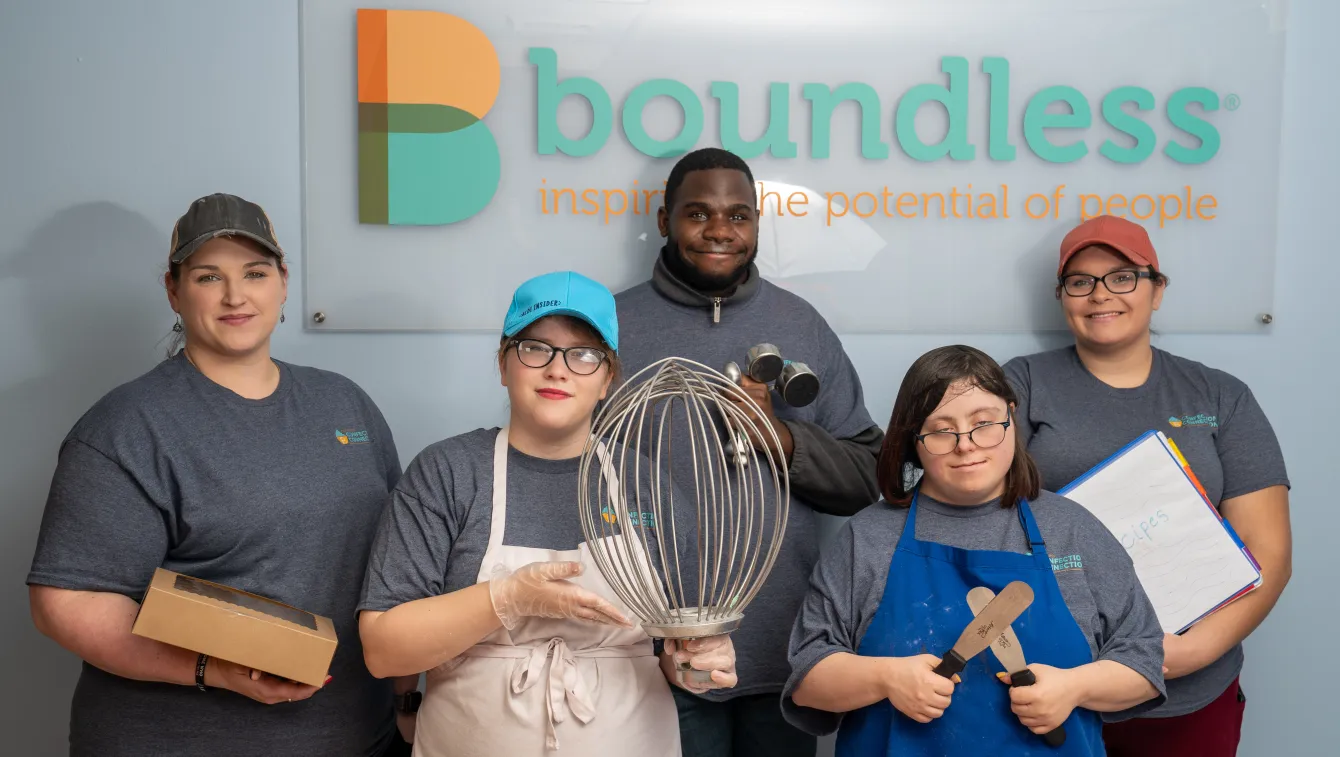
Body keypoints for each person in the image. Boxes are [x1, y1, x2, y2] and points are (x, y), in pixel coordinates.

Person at [26, 193, 414, 756]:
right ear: (174, 290)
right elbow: (66, 604)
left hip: (357, 738)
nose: (236, 295)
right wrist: (213, 668)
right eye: (210, 276)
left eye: (254, 273)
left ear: (282, 283)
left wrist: (407, 703)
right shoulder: (127, 427)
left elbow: (396, 572)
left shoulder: (345, 406)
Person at [357, 270, 738, 756]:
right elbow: (383, 650)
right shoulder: (449, 473)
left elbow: (675, 652)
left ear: (607, 379)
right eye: (536, 348)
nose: (558, 369)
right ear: (503, 363)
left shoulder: (644, 484)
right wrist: (508, 598)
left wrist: (699, 663)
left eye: (584, 354)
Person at [615, 147, 883, 757]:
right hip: (657, 651)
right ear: (663, 221)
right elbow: (566, 475)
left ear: (758, 224)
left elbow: (867, 477)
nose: (719, 231)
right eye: (698, 214)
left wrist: (780, 436)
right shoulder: (611, 326)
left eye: (739, 216)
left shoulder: (801, 323)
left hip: (781, 647)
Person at [782, 345, 1167, 756]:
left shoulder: (1073, 530)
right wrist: (885, 678)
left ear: (1011, 416)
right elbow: (807, 680)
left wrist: (1074, 687)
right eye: (942, 430)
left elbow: (1144, 663)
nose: (966, 445)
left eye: (984, 424)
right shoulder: (869, 537)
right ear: (913, 440)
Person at [1003, 215, 1293, 756]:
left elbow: (1269, 552)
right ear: (1062, 296)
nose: (1100, 295)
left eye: (1122, 277)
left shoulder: (1220, 395)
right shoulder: (1022, 382)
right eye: (1081, 281)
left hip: (1189, 689)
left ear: (1157, 290)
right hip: (1055, 677)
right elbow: (979, 514)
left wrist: (1189, 653)